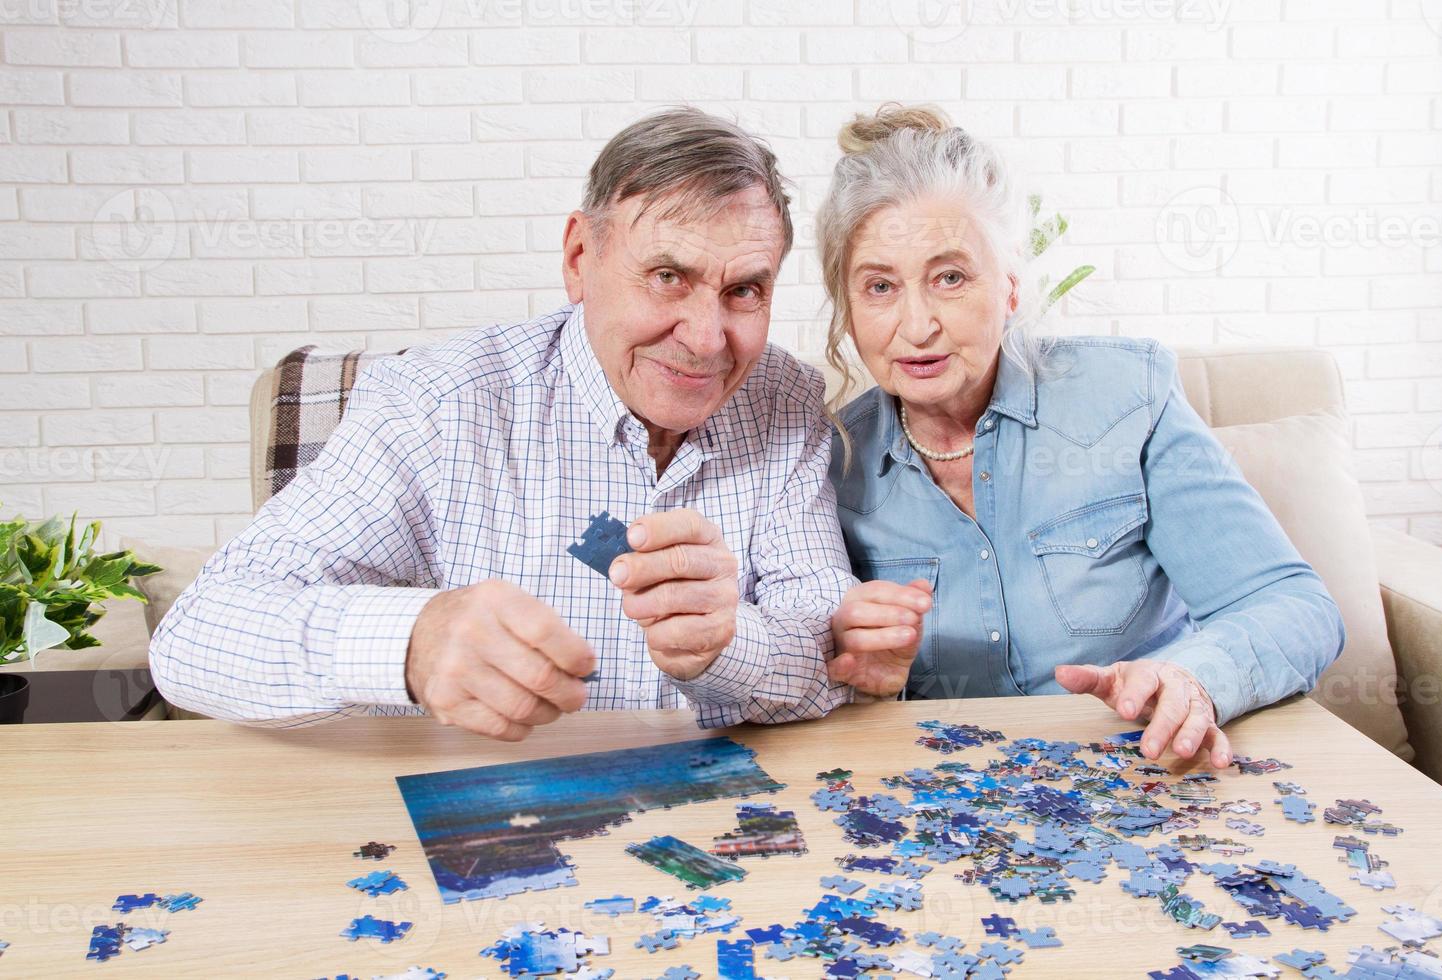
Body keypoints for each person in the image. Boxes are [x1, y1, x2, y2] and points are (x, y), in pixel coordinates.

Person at [150, 107, 856, 739]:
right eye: (668, 276)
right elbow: (196, 638)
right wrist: (411, 642)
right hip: (481, 819)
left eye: (743, 291)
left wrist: (727, 648)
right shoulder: (433, 402)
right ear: (580, 258)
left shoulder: (784, 398)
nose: (706, 338)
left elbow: (832, 651)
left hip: (723, 828)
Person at [819, 104, 1345, 768]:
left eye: (949, 277)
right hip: (944, 802)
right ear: (847, 306)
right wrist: (872, 690)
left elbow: (1294, 605)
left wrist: (1196, 677)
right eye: (879, 287)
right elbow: (832, 699)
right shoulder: (828, 464)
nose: (916, 324)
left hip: (1142, 778)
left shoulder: (1128, 396)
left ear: (1010, 287)